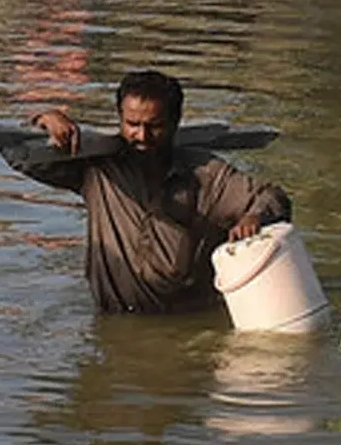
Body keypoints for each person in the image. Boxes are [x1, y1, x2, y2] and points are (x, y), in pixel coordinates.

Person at [24, 70, 293, 314]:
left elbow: (272, 198)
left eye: (154, 126)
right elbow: (25, 161)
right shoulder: (97, 171)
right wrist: (44, 121)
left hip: (185, 323)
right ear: (120, 120)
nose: (142, 136)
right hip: (113, 320)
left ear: (175, 123)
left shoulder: (205, 174)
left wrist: (254, 216)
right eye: (132, 124)